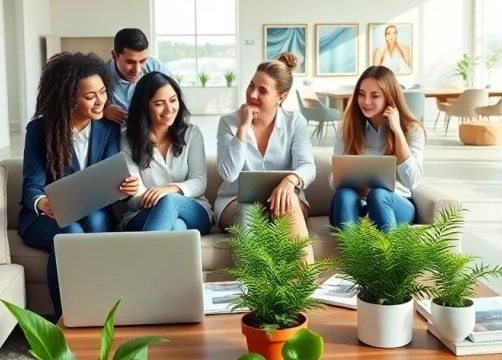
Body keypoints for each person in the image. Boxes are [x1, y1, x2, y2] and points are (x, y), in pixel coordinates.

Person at [17, 52, 140, 319]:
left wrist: (125, 186)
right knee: (69, 233)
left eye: (103, 92)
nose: (100, 101)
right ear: (69, 98)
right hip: (45, 216)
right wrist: (43, 203)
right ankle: (66, 319)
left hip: (92, 209)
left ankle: (99, 311)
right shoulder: (40, 130)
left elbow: (109, 178)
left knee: (96, 224)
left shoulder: (107, 129)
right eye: (90, 96)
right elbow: (31, 187)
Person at [215, 52, 317, 262]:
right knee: (250, 211)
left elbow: (307, 166)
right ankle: (252, 289)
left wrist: (290, 181)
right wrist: (242, 128)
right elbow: (229, 172)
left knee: (288, 203)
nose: (252, 95)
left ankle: (303, 287)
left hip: (284, 198)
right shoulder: (229, 123)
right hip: (235, 201)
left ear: (281, 97)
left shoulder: (294, 122)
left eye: (262, 90)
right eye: (251, 85)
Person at [329, 65, 425, 233]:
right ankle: (353, 256)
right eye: (361, 94)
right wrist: (355, 184)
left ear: (389, 97)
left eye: (375, 96)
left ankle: (388, 259)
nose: (366, 102)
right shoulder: (347, 129)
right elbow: (333, 179)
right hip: (356, 206)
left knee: (378, 195)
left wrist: (398, 132)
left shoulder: (412, 129)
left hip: (394, 205)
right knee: (344, 194)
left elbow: (413, 181)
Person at [120, 72, 213, 234]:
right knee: (177, 226)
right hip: (142, 215)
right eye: (159, 103)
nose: (169, 109)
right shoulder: (128, 139)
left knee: (171, 201)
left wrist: (169, 190)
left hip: (193, 210)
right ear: (144, 106)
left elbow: (199, 182)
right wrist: (158, 199)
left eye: (173, 100)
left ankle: (142, 258)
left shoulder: (192, 134)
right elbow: (133, 199)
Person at [104, 28, 171, 125]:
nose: (137, 70)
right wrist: (103, 112)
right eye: (130, 62)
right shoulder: (101, 76)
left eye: (142, 61)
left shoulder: (157, 68)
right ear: (114, 56)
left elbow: (176, 99)